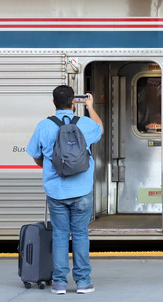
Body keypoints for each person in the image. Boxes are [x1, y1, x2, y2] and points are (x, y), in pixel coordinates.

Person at [27, 85, 103, 295]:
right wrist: (90, 107)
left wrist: (51, 167)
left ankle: (60, 283)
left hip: (56, 190)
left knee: (60, 234)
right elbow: (100, 128)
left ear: (53, 103)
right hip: (81, 190)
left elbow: (34, 153)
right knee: (80, 234)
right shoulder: (85, 123)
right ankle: (83, 282)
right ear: (73, 102)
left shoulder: (44, 125)